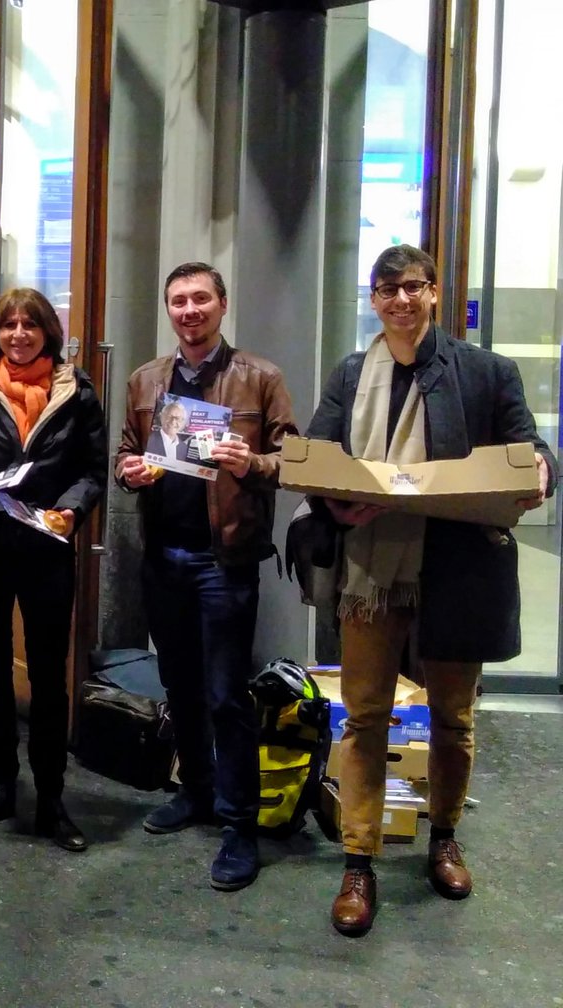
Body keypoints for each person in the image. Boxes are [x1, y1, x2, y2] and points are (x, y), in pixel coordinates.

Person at [305, 244, 555, 937]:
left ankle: (443, 837)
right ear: (374, 299)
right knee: (364, 719)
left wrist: (542, 468)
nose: (401, 300)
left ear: (435, 293)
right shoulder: (352, 375)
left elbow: (530, 446)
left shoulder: (485, 371)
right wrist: (335, 505)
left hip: (457, 568)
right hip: (371, 573)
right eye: (387, 290)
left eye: (412, 287)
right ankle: (359, 859)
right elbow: (319, 454)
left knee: (453, 718)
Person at [115, 261, 298, 891]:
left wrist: (252, 463)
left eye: (200, 299)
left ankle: (239, 825)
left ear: (222, 304)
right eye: (178, 301)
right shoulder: (145, 379)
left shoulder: (260, 377)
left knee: (226, 696)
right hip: (163, 554)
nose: (189, 310)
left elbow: (292, 459)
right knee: (180, 685)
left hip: (225, 560)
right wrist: (129, 471)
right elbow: (125, 451)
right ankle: (195, 790)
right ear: (169, 310)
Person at [0, 287, 106, 852]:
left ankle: (52, 795)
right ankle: (1, 785)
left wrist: (72, 510)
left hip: (47, 547)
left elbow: (93, 467)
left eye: (29, 325)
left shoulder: (76, 389)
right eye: (10, 325)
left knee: (47, 675)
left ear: (46, 333)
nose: (19, 335)